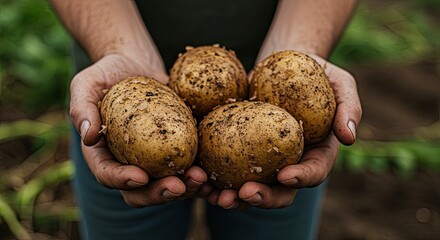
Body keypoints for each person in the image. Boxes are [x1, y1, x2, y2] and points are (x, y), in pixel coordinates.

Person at [51, 0, 362, 239]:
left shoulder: (283, 129)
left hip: (274, 140)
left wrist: (303, 44)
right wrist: (115, 46)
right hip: (117, 70)